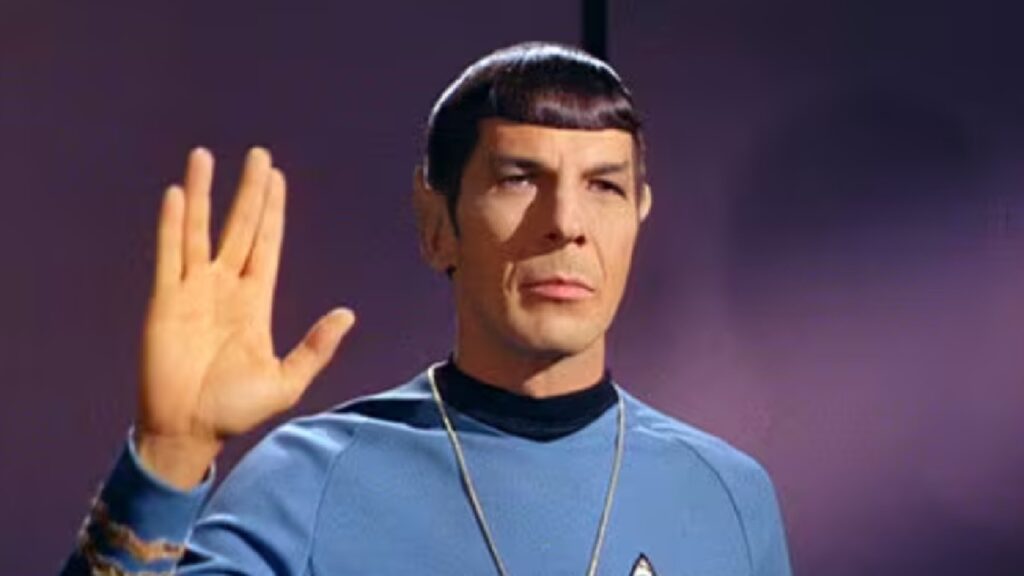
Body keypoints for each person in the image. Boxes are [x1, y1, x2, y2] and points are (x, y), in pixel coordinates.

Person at [61, 41, 792, 576]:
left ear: (638, 215)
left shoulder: (729, 497)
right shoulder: (307, 483)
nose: (566, 222)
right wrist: (170, 455)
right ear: (437, 223)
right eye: (518, 178)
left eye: (604, 186)